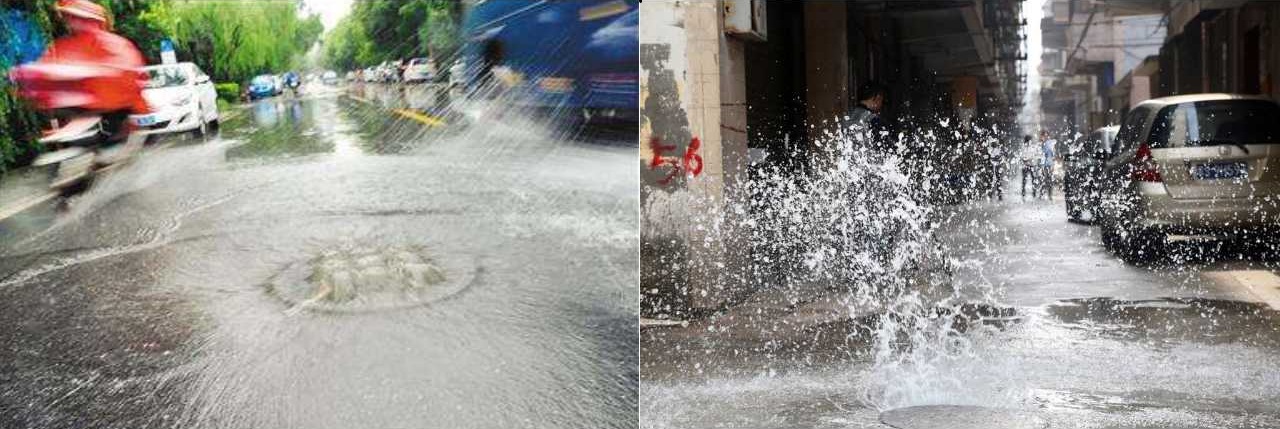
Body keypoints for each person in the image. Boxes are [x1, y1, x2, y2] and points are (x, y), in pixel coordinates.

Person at [12, 0, 148, 141]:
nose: (74, 21)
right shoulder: (65, 45)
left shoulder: (116, 44)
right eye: (70, 17)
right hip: (80, 108)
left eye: (80, 18)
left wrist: (86, 75)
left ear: (96, 21)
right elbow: (45, 68)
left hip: (115, 108)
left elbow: (125, 75)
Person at [842, 81, 888, 151]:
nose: (881, 105)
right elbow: (884, 147)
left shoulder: (846, 117)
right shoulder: (873, 119)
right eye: (882, 101)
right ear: (877, 98)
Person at [1019, 135, 1039, 199]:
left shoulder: (1032, 147)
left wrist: (1031, 159)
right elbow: (1022, 156)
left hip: (1031, 165)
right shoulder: (1023, 147)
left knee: (1033, 179)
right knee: (1025, 180)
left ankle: (1033, 192)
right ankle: (1024, 192)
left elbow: (1035, 155)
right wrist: (1026, 160)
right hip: (1026, 165)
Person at [1040, 130, 1058, 200]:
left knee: (1049, 179)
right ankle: (1042, 193)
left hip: (1050, 164)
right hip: (1043, 164)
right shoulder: (1041, 144)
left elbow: (1053, 154)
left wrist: (1053, 164)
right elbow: (1041, 155)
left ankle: (1050, 194)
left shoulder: (1050, 143)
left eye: (1046, 135)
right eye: (1044, 135)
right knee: (1043, 179)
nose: (1045, 136)